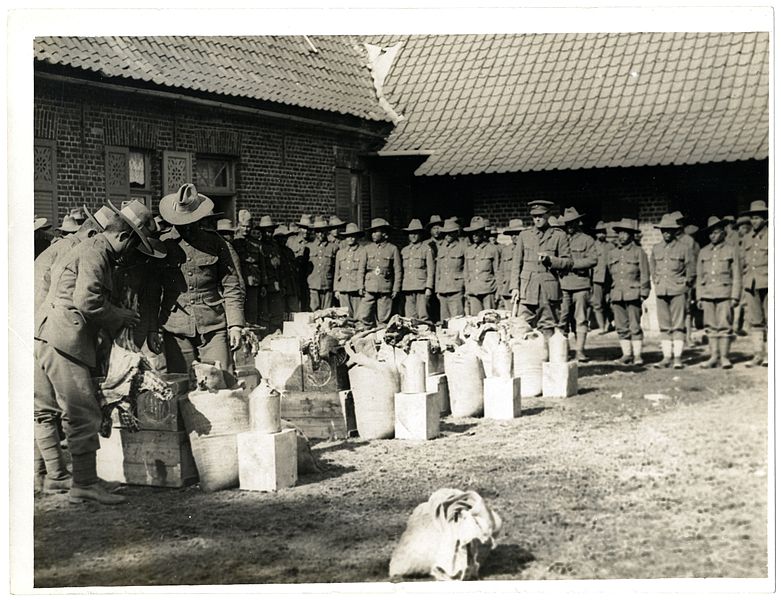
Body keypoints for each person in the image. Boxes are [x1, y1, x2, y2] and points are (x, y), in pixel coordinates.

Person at [34, 200, 154, 504]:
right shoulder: (96, 252)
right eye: (133, 245)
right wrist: (121, 316)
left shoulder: (87, 246)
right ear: (125, 237)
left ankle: (63, 478)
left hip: (47, 333)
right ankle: (84, 484)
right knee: (82, 410)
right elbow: (88, 301)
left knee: (50, 409)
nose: (129, 254)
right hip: (65, 336)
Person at [151, 183, 246, 374]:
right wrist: (152, 328)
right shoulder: (163, 245)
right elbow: (152, 291)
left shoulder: (217, 243)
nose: (185, 226)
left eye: (190, 221)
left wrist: (235, 324)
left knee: (220, 380)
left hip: (213, 325)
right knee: (182, 385)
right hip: (175, 325)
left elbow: (233, 285)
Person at [509, 200, 573, 339]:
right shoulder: (524, 235)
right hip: (527, 289)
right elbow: (516, 264)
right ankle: (527, 358)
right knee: (522, 325)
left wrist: (551, 260)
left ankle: (546, 356)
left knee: (548, 326)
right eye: (534, 216)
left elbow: (568, 262)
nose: (537, 219)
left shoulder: (558, 236)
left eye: (541, 215)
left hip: (548, 289)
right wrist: (514, 287)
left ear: (548, 215)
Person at [649, 213, 696, 369]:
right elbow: (653, 268)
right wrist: (656, 281)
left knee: (678, 325)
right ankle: (666, 357)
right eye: (663, 230)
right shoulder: (656, 249)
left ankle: (677, 358)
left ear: (675, 231)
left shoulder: (685, 248)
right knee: (664, 325)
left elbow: (691, 270)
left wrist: (684, 284)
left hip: (678, 290)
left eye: (669, 230)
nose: (666, 233)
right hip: (662, 290)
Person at [696, 216, 742, 369]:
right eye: (710, 234)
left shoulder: (731, 250)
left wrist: (735, 295)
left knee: (724, 325)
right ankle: (713, 356)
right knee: (710, 326)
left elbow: (736, 274)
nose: (712, 236)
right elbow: (699, 275)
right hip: (707, 293)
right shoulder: (703, 252)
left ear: (723, 233)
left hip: (724, 293)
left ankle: (724, 357)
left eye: (716, 233)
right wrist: (699, 296)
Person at [607, 218, 650, 365]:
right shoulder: (612, 253)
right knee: (621, 326)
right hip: (617, 294)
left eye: (625, 233)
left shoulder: (639, 252)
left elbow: (645, 273)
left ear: (631, 235)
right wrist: (608, 293)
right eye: (620, 233)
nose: (622, 236)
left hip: (633, 293)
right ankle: (627, 354)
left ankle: (637, 355)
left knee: (635, 326)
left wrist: (644, 293)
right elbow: (608, 275)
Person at [559, 207, 598, 362]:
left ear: (578, 222)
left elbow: (593, 260)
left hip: (581, 285)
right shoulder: (560, 239)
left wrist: (572, 264)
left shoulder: (587, 240)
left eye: (572, 223)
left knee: (581, 319)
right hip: (562, 284)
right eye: (567, 223)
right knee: (562, 318)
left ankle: (580, 351)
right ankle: (562, 351)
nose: (569, 226)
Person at [740, 200, 769, 367]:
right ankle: (758, 353)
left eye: (757, 218)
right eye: (752, 218)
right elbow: (743, 262)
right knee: (755, 320)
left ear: (765, 219)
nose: (754, 222)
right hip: (751, 283)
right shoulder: (746, 239)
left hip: (768, 282)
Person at [358, 218, 402, 326]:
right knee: (364, 315)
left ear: (384, 233)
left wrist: (396, 288)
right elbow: (361, 269)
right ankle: (366, 335)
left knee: (383, 318)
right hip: (369, 287)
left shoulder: (392, 249)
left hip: (385, 287)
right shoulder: (367, 249)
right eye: (372, 232)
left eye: (376, 232)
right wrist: (360, 286)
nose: (373, 234)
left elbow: (398, 270)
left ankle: (381, 337)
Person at [670, 211, 701, 348]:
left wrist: (690, 281)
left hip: (684, 281)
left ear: (681, 224)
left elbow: (694, 262)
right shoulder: (669, 241)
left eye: (677, 223)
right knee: (671, 310)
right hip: (671, 281)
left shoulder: (689, 241)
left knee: (687, 310)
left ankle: (687, 337)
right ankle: (672, 338)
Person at [232, 209, 263, 324]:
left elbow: (261, 265)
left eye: (248, 227)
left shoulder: (256, 244)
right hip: (238, 282)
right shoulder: (234, 242)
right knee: (239, 311)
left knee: (252, 312)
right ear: (239, 225)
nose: (246, 229)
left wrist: (263, 283)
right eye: (244, 226)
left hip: (253, 282)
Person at [463, 216, 500, 315]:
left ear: (483, 232)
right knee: (476, 321)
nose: (474, 235)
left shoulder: (492, 249)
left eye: (477, 232)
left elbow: (497, 272)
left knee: (490, 320)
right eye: (472, 233)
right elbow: (466, 273)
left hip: (488, 290)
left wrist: (498, 291)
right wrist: (467, 290)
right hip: (473, 291)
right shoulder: (468, 250)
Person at [400, 219, 435, 320]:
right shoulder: (405, 250)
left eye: (416, 233)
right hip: (408, 287)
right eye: (411, 233)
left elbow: (431, 270)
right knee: (409, 317)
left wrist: (429, 287)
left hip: (421, 287)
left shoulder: (426, 249)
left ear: (420, 234)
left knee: (423, 316)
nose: (413, 236)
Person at [257, 215, 286, 334]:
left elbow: (281, 268)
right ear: (262, 232)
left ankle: (276, 333)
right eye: (266, 232)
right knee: (264, 312)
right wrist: (263, 284)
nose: (269, 234)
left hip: (276, 285)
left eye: (271, 231)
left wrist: (283, 284)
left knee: (277, 312)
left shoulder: (275, 246)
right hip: (265, 285)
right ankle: (265, 335)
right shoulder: (259, 246)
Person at [434, 218, 466, 323]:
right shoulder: (441, 248)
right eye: (445, 234)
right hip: (443, 289)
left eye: (450, 233)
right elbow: (438, 270)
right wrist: (437, 289)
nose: (447, 236)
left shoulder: (462, 247)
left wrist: (464, 286)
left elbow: (467, 268)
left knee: (457, 320)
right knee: (445, 321)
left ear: (456, 233)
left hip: (456, 288)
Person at [333, 223, 366, 318]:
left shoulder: (362, 251)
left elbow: (362, 270)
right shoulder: (340, 253)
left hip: (355, 288)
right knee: (345, 315)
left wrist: (361, 287)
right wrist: (336, 289)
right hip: (343, 288)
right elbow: (337, 272)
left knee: (358, 315)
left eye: (352, 236)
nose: (350, 238)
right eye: (348, 236)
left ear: (357, 237)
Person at [306, 216, 337, 311]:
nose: (320, 234)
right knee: (314, 312)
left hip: (327, 284)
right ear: (314, 233)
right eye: (318, 231)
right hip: (313, 284)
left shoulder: (333, 247)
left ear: (326, 232)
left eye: (322, 231)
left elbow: (336, 268)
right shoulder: (309, 247)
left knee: (327, 312)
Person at [590, 220, 613, 334]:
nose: (601, 235)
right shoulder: (593, 246)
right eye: (599, 232)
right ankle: (602, 326)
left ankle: (610, 324)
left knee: (610, 302)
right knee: (597, 303)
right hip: (597, 278)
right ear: (596, 234)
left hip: (609, 278)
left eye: (603, 232)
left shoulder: (611, 246)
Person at [273, 225, 301, 315]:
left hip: (291, 286)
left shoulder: (289, 252)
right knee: (280, 312)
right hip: (280, 286)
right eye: (280, 238)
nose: (283, 240)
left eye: (285, 237)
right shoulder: (275, 251)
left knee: (294, 312)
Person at [733, 215, 754, 335]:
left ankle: (747, 325)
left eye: (745, 227)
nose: (743, 230)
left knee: (747, 302)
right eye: (741, 227)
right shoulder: (736, 244)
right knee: (737, 301)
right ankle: (735, 325)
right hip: (737, 276)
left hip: (748, 275)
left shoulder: (751, 242)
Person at [497, 219, 524, 311]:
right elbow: (501, 271)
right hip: (507, 290)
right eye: (511, 234)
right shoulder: (506, 250)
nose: (514, 236)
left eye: (516, 233)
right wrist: (500, 288)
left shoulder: (528, 249)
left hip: (523, 290)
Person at [288, 216, 313, 311]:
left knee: (306, 305)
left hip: (308, 280)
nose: (306, 231)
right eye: (304, 228)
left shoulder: (313, 243)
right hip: (294, 279)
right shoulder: (291, 241)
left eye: (308, 229)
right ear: (299, 228)